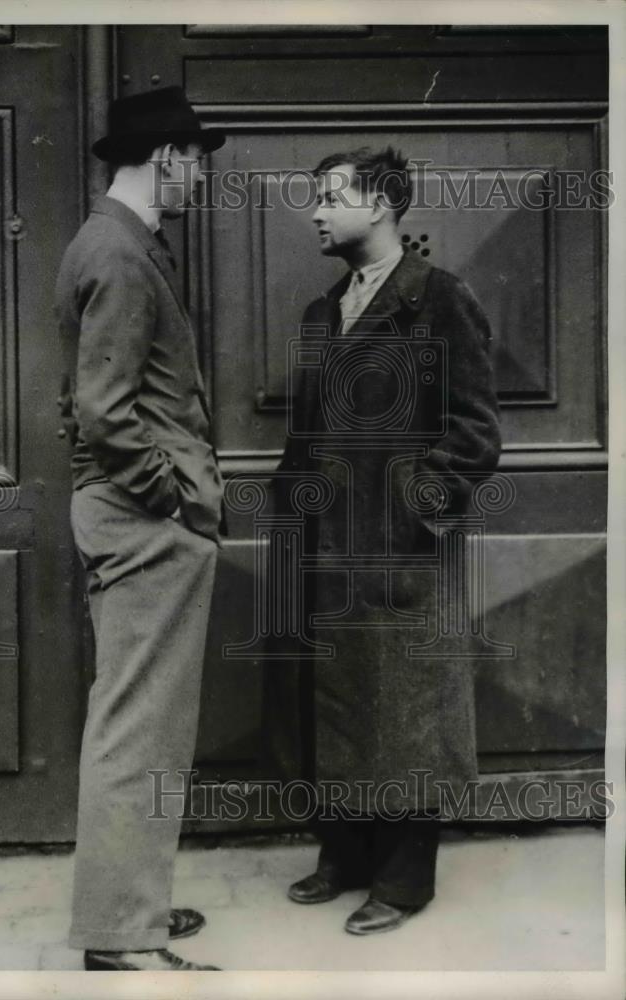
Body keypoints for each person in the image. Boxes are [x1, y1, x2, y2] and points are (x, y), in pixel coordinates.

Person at [276, 146, 502, 934]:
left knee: (407, 711)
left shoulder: (438, 299)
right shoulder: (322, 312)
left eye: (330, 198)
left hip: (400, 549)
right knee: (338, 701)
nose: (315, 212)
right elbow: (305, 435)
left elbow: (474, 434)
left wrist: (410, 513)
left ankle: (404, 880)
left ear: (378, 204)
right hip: (325, 548)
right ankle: (343, 853)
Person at [55, 86, 226, 971]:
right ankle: (121, 937)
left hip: (136, 518)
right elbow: (103, 413)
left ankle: (133, 908)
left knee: (143, 724)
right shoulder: (120, 252)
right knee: (137, 729)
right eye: (196, 159)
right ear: (166, 157)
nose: (200, 176)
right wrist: (174, 499)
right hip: (142, 520)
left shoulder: (117, 242)